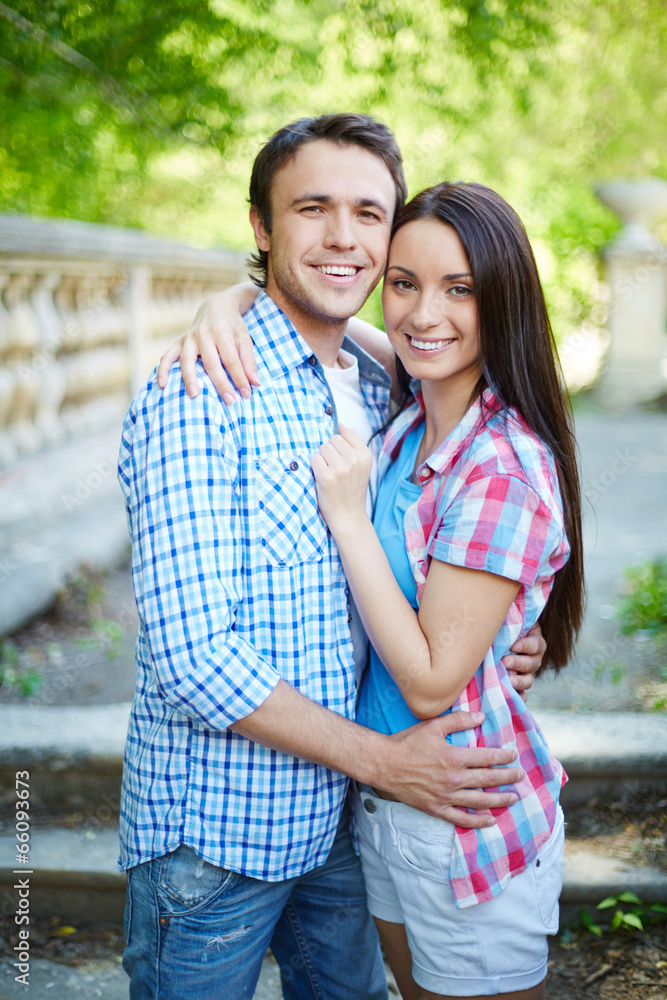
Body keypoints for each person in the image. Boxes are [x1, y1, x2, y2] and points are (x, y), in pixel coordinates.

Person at [120, 114, 545, 1000]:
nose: (342, 237)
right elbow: (193, 658)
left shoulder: (375, 378)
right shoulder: (201, 392)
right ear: (261, 227)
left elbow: (444, 532)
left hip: (339, 833)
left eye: (367, 212)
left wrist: (500, 631)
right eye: (311, 208)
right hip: (218, 844)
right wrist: (384, 762)